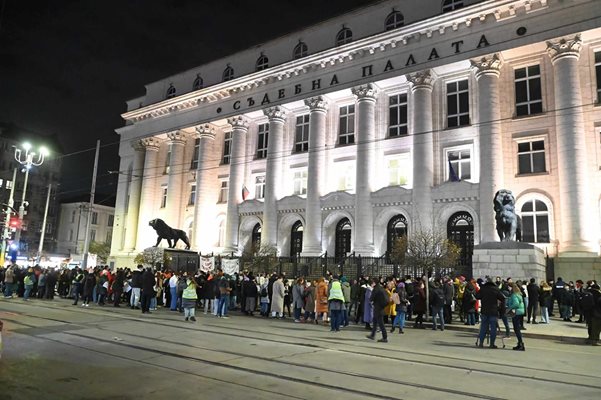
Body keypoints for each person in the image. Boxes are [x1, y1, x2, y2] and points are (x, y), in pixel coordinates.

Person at [476, 277, 506, 349]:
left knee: (483, 327)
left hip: (484, 310)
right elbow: (502, 298)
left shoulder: (483, 289)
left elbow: (477, 296)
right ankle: (492, 344)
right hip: (493, 311)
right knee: (493, 328)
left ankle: (481, 343)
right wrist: (502, 310)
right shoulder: (495, 289)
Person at [366, 278, 389, 343]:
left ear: (374, 283)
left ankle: (385, 337)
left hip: (378, 308)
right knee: (375, 322)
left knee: (381, 324)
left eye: (372, 282)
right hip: (381, 308)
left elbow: (371, 298)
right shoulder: (381, 288)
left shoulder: (375, 289)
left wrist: (372, 300)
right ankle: (372, 335)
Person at [508, 282, 526, 351]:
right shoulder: (519, 294)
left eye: (509, 287)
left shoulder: (514, 295)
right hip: (520, 312)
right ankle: (520, 343)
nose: (508, 288)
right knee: (517, 328)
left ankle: (520, 344)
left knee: (516, 329)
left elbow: (516, 304)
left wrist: (509, 307)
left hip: (516, 312)